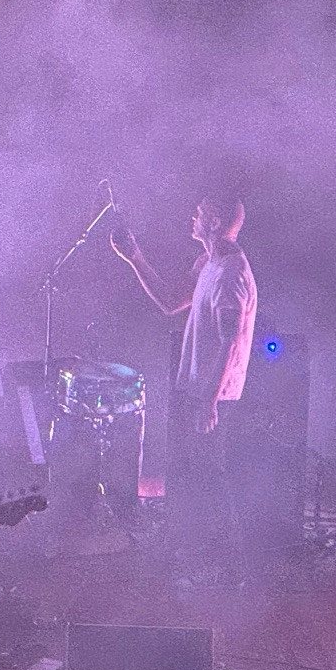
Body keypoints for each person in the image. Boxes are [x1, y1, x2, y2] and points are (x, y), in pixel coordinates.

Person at [111, 195, 258, 576]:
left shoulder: (230, 274)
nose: (192, 216)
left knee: (211, 479)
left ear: (213, 220)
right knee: (193, 477)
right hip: (196, 390)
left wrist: (208, 401)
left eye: (199, 212)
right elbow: (169, 301)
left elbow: (229, 341)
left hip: (214, 396)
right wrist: (134, 258)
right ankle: (194, 558)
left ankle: (231, 569)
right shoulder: (207, 263)